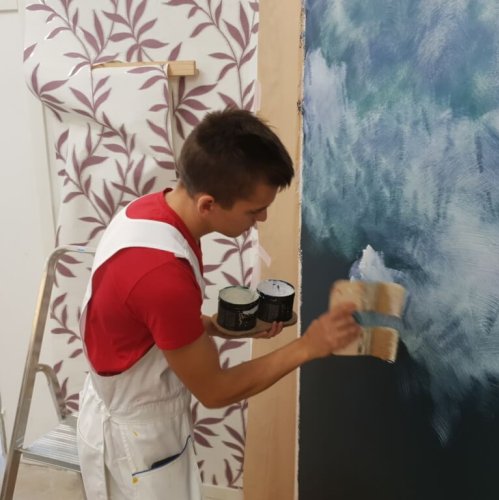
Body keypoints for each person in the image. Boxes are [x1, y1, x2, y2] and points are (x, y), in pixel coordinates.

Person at [76, 108, 360, 499]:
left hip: (125, 410)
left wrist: (213, 325)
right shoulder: (162, 276)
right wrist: (308, 347)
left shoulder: (147, 212)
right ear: (208, 204)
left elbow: (147, 323)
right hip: (136, 439)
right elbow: (215, 390)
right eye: (253, 210)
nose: (262, 218)